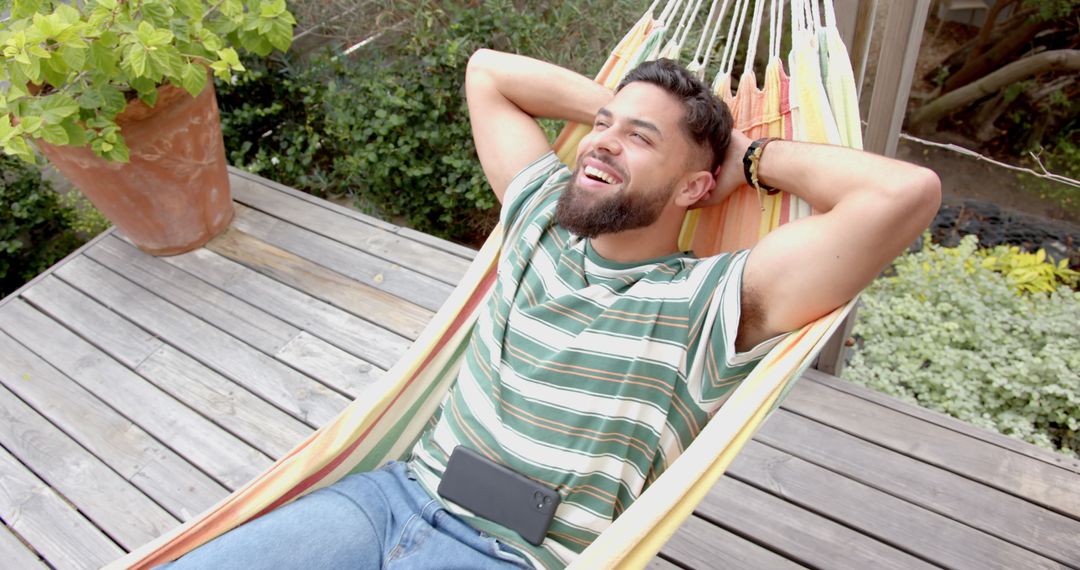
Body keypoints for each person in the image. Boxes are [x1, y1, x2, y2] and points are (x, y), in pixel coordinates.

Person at [165, 50, 940, 569]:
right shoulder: (538, 214)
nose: (600, 145)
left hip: (509, 558)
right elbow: (488, 72)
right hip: (385, 498)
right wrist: (629, 113)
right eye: (600, 132)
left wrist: (745, 159)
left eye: (639, 143)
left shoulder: (715, 301)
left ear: (694, 190)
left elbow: (904, 195)